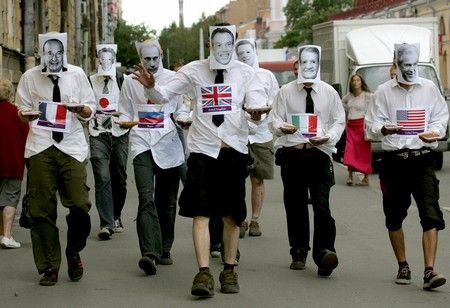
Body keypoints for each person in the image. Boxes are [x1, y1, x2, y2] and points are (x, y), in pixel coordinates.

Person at [132, 23, 267, 297]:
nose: (223, 49)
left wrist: (255, 114)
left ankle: (229, 270)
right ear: (210, 46)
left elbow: (256, 105)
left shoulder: (246, 73)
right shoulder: (194, 70)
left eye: (228, 44)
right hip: (203, 153)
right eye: (217, 44)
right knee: (201, 213)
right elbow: (163, 96)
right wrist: (151, 87)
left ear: (234, 43)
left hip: (233, 152)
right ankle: (203, 272)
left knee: (231, 215)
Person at [365, 42, 448, 290]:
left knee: (430, 213)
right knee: (394, 215)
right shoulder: (383, 92)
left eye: (413, 65)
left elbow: (440, 117)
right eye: (405, 65)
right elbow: (370, 125)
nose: (410, 70)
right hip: (395, 161)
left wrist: (435, 132)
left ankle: (429, 270)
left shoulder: (430, 88)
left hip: (422, 158)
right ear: (396, 65)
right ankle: (403, 264)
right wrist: (383, 128)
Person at [15, 32, 96, 286]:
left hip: (71, 145)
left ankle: (73, 250)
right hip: (41, 146)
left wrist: (82, 109)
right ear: (42, 53)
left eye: (58, 53)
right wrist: (25, 114)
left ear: (64, 53)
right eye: (48, 53)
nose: (53, 57)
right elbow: (21, 107)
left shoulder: (77, 74)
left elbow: (90, 107)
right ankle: (49, 265)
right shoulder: (30, 77)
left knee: (80, 204)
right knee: (41, 209)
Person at [269, 44, 345, 277]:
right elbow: (274, 120)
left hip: (318, 155)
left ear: (318, 64)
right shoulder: (285, 92)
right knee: (295, 204)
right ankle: (299, 250)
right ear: (298, 66)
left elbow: (338, 121)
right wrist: (282, 127)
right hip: (293, 155)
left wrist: (329, 137)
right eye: (304, 63)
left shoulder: (329, 92)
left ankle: (325, 251)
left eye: (313, 62)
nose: (308, 66)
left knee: (322, 205)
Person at [118, 39, 186, 275]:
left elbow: (181, 109)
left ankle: (164, 247)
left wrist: (185, 119)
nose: (152, 63)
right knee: (146, 197)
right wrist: (125, 121)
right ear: (140, 59)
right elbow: (124, 110)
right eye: (147, 59)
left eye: (155, 58)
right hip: (141, 142)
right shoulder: (129, 81)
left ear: (161, 54)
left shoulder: (173, 79)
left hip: (167, 142)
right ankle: (149, 253)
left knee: (166, 201)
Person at [235, 39, 279, 237]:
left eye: (247, 51)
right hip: (239, 135)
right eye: (240, 52)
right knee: (236, 180)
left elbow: (276, 101)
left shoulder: (267, 76)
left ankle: (255, 220)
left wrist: (265, 111)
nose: (244, 55)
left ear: (255, 51)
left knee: (258, 179)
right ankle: (239, 219)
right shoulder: (235, 77)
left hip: (262, 134)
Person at [89, 45, 129, 240]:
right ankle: (106, 223)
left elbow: (132, 105)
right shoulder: (90, 81)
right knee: (102, 177)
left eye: (108, 59)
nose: (105, 62)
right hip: (98, 134)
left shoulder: (123, 80)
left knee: (119, 176)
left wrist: (124, 115)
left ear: (114, 60)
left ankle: (116, 215)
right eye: (101, 59)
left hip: (119, 133)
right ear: (98, 60)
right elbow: (86, 106)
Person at [0, 79, 29, 249]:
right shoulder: (18, 113)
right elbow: (27, 138)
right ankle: (7, 236)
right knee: (10, 199)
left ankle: (1, 233)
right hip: (12, 163)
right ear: (11, 93)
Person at [342, 74, 374, 186]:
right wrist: (347, 112)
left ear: (361, 82)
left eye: (358, 80)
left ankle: (365, 178)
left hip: (362, 127)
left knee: (364, 152)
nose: (355, 82)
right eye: (353, 80)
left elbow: (376, 103)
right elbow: (341, 103)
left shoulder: (367, 96)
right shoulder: (349, 96)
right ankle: (350, 176)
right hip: (351, 126)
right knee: (349, 151)